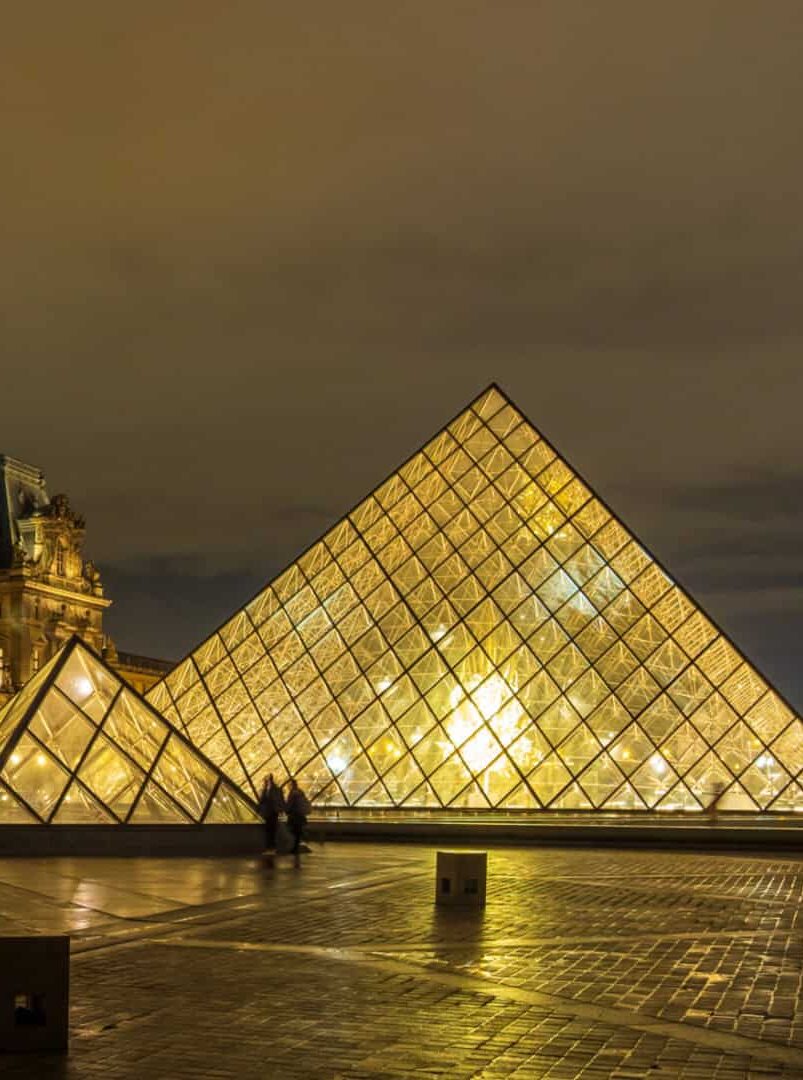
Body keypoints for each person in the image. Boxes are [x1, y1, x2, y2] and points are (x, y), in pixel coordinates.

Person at [258, 773, 285, 850]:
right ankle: (271, 845)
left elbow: (262, 800)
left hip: (270, 812)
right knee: (271, 829)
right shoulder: (276, 789)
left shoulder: (268, 790)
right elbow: (281, 801)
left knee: (270, 829)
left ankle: (270, 846)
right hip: (272, 812)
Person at [285, 778, 311, 856]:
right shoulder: (300, 792)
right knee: (298, 831)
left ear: (291, 785)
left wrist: (286, 810)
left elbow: (290, 804)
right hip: (300, 815)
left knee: (294, 831)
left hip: (294, 816)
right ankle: (296, 846)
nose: (287, 787)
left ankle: (294, 847)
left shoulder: (292, 793)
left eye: (288, 785)